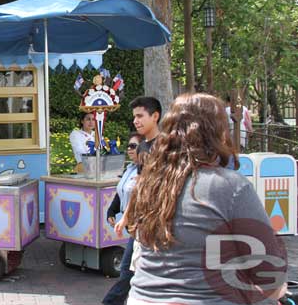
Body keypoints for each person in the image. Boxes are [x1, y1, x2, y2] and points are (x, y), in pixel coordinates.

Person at [120, 93, 286, 305]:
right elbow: (268, 268)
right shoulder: (230, 186)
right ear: (217, 133)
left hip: (141, 298)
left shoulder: (149, 183)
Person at [102, 98, 160, 305]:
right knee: (128, 273)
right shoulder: (143, 147)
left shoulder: (166, 146)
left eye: (140, 116)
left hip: (158, 226)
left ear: (155, 116)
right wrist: (126, 217)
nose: (135, 121)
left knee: (133, 275)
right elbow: (139, 187)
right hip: (141, 226)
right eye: (134, 116)